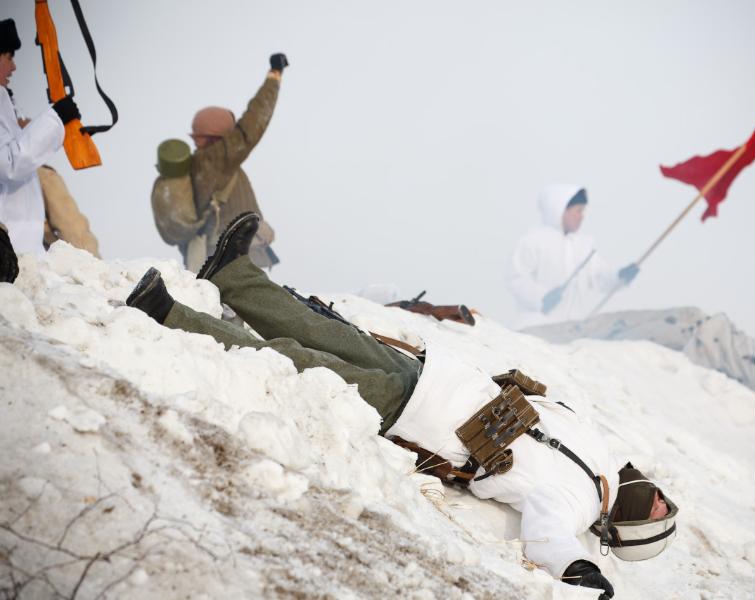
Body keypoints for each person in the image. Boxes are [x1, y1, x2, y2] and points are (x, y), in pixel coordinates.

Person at [125, 212, 679, 597]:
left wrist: (577, 567)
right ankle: (232, 276)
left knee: (293, 360)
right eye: (664, 502)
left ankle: (168, 315)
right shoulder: (603, 455)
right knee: (320, 331)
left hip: (421, 420)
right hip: (437, 379)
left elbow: (544, 535)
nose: (658, 500)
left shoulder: (577, 506)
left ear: (627, 532)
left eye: (657, 515)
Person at [525, 307, 755, 480]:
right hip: (696, 333)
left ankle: (534, 334)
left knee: (608, 329)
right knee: (609, 332)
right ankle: (526, 335)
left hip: (698, 333)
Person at [184, 53, 288, 272]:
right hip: (235, 257)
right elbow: (254, 120)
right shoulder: (220, 158)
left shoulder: (195, 166)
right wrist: (274, 77)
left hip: (215, 257)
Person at [1, 18, 81, 283]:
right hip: (10, 246)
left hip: (20, 245)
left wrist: (58, 123)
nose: (13, 66)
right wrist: (55, 117)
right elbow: (10, 163)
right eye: (8, 56)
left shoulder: (6, 100)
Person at [506, 185, 638, 330]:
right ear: (561, 210)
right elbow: (516, 279)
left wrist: (620, 276)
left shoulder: (582, 247)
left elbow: (601, 278)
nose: (582, 216)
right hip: (537, 327)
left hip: (572, 329)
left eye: (583, 211)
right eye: (578, 210)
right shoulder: (533, 242)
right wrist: (541, 298)